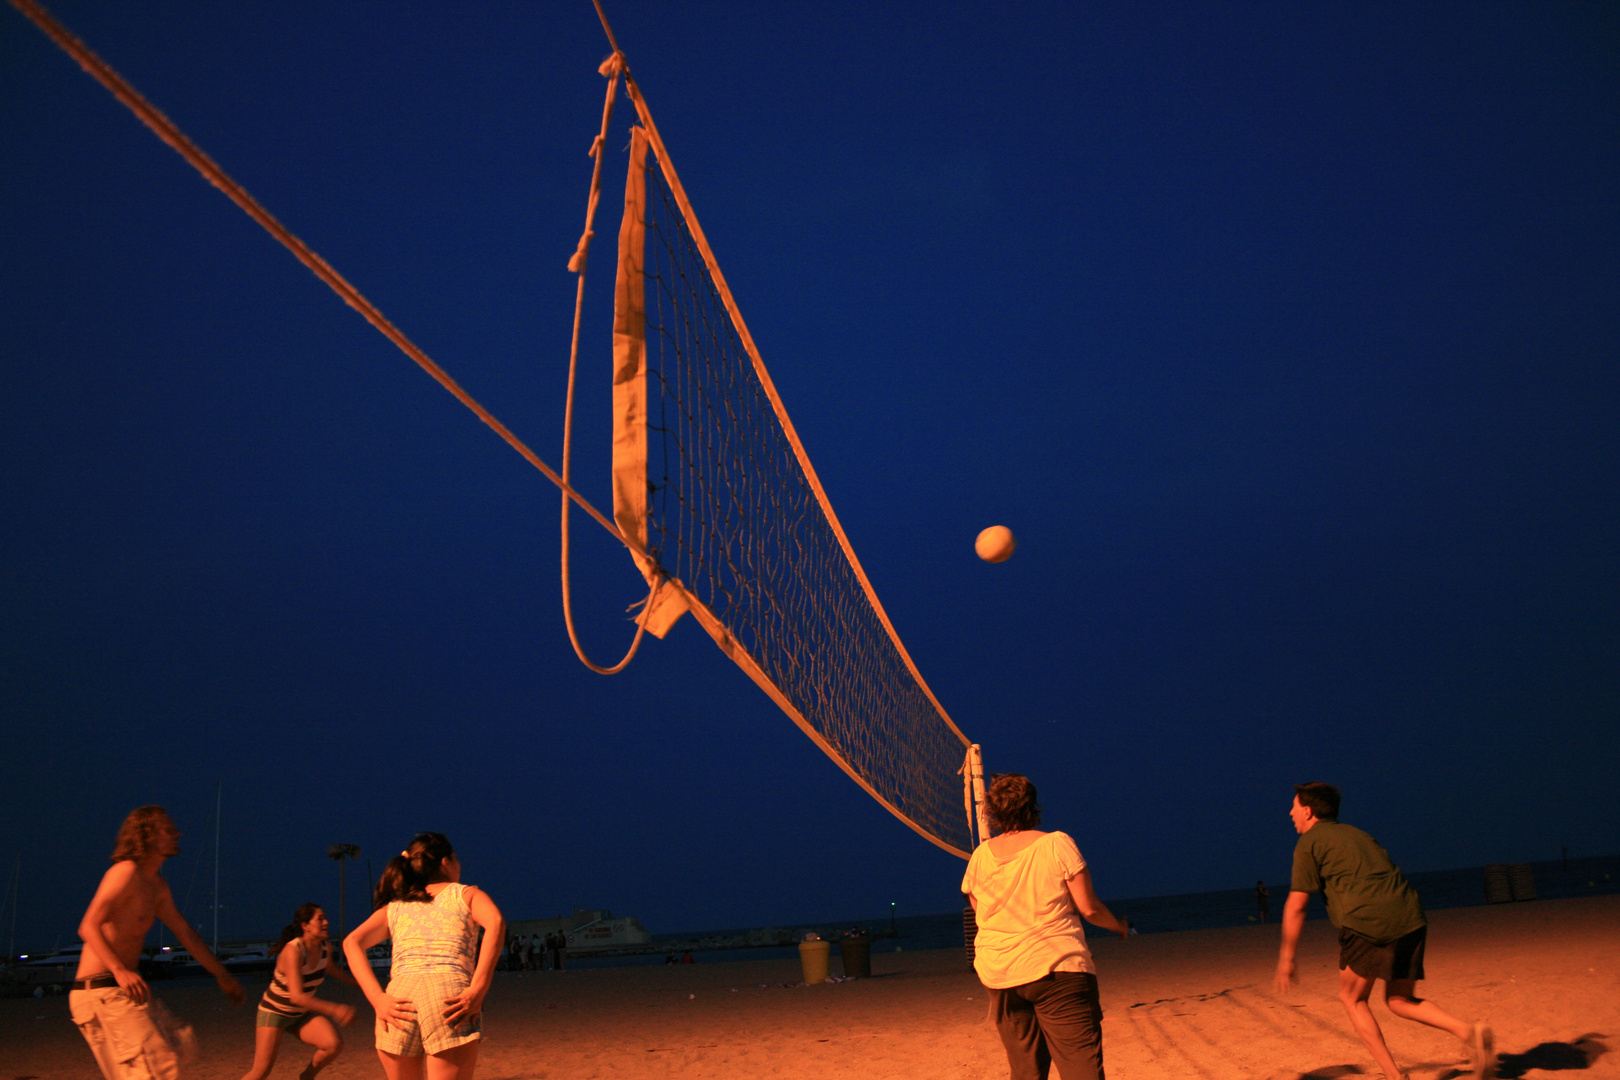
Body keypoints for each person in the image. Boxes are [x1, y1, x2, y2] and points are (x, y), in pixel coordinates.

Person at [1274, 782, 1493, 1080]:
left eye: (1294, 806)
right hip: (1410, 916)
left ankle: (1394, 1076)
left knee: (1352, 999)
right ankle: (1469, 1032)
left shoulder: (1309, 842)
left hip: (1369, 924)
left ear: (1308, 811)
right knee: (1399, 1001)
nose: (1290, 812)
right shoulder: (1357, 834)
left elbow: (1297, 905)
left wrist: (1287, 957)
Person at [961, 774, 1130, 1080]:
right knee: (1082, 1069)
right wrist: (1119, 926)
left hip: (1000, 974)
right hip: (1056, 968)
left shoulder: (980, 857)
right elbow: (1089, 908)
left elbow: (979, 910)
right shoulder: (1056, 843)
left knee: (1026, 1072)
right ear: (1032, 806)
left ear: (992, 811)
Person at [70, 805, 246, 1080]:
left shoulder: (156, 885)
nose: (178, 833)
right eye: (168, 829)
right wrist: (120, 970)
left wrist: (222, 975)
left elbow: (185, 933)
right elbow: (88, 926)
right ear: (146, 835)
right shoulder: (125, 872)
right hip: (100, 991)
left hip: (124, 991)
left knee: (178, 1047)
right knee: (159, 1064)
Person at [344, 832, 504, 1080]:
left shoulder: (397, 905)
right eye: (456, 858)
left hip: (398, 1000)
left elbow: (351, 942)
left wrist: (377, 999)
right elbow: (495, 922)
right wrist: (478, 988)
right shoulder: (466, 894)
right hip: (448, 995)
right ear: (445, 862)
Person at [241, 903, 358, 1080]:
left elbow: (331, 969)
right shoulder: (293, 951)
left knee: (333, 1045)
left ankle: (307, 1076)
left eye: (325, 918)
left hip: (300, 1015)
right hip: (275, 1012)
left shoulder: (325, 947)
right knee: (261, 1072)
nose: (326, 922)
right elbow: (297, 997)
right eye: (320, 919)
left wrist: (362, 984)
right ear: (305, 926)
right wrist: (335, 1009)